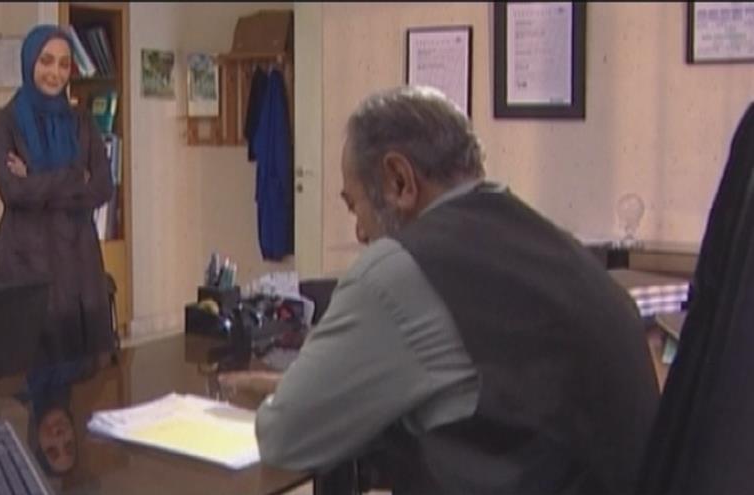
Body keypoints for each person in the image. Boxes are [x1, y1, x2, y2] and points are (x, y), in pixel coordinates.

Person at [220, 86, 660, 494]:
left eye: (354, 206)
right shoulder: (556, 248)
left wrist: (298, 400)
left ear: (399, 180)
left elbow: (284, 438)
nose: (359, 232)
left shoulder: (400, 269)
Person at [0, 25, 114, 366]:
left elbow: (102, 187)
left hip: (79, 259)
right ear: (29, 62)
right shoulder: (2, 122)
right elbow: (12, 191)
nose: (55, 72)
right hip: (27, 259)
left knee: (87, 378)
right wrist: (73, 177)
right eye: (46, 61)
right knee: (28, 374)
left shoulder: (82, 121)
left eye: (63, 64)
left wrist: (35, 178)